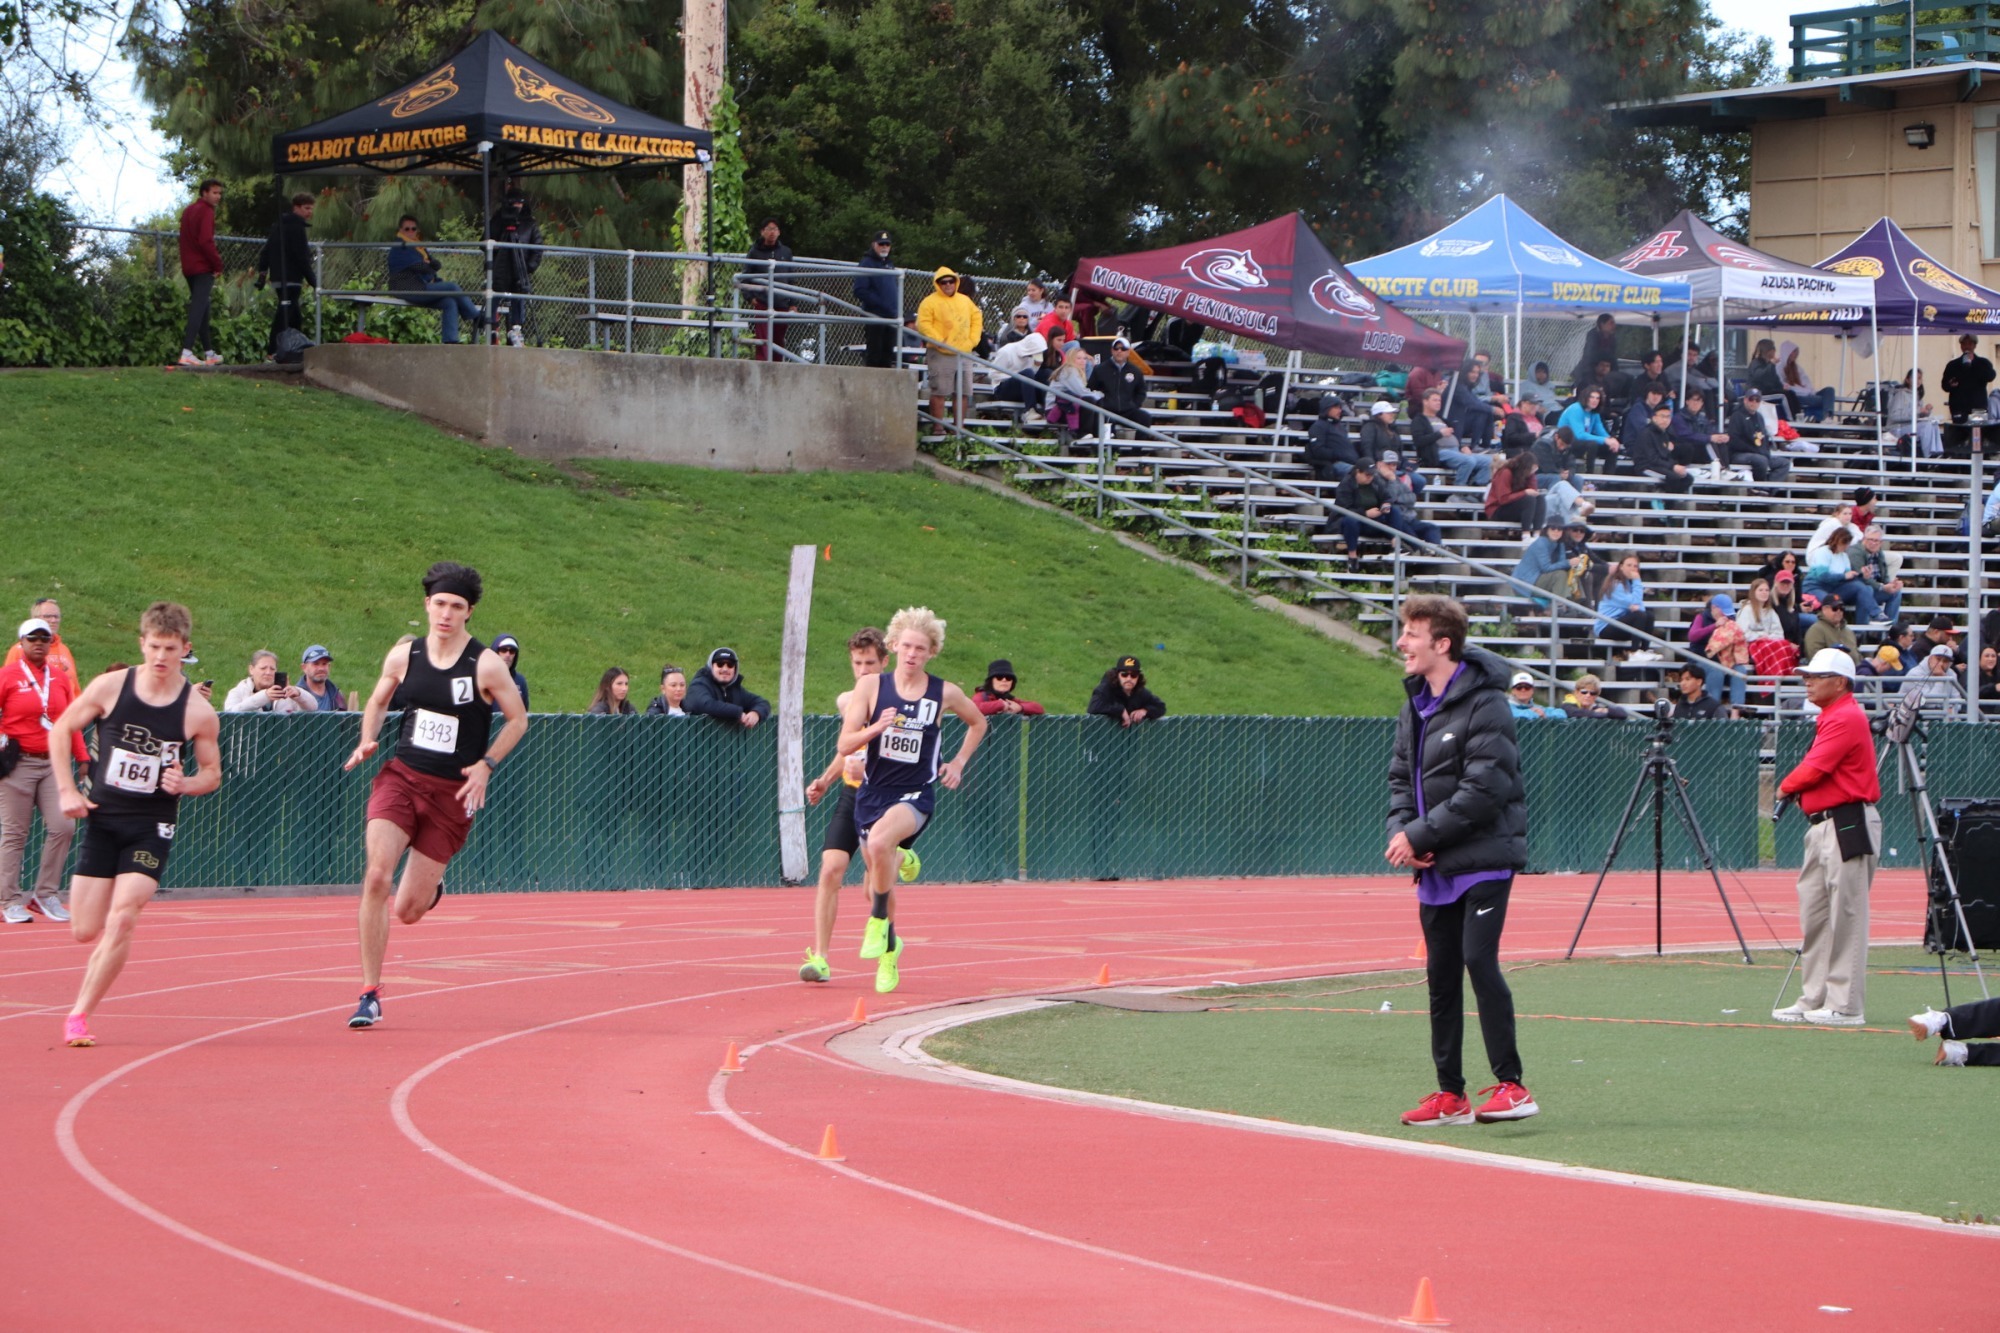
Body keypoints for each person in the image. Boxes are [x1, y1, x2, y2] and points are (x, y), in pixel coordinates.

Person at [340, 562, 528, 1029]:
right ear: (427, 605)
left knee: (406, 911)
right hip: (401, 777)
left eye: (456, 607)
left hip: (452, 794)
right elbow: (381, 699)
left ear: (470, 613)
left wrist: (486, 765)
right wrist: (368, 736)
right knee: (377, 877)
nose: (446, 613)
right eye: (439, 603)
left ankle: (430, 889)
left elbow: (519, 720)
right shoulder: (406, 655)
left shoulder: (484, 664)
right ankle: (368, 993)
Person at [1385, 594, 1535, 1127]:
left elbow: (1485, 788)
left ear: (1442, 643)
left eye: (1411, 634)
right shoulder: (1414, 706)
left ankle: (1513, 1086)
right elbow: (1401, 781)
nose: (1401, 642)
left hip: (1485, 858)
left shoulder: (1487, 704)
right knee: (1440, 975)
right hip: (1437, 865)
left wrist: (1421, 833)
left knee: (1477, 960)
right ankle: (1450, 1094)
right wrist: (1404, 833)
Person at [48, 601, 223, 1046]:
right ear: (141, 644)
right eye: (154, 647)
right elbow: (60, 728)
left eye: (170, 648)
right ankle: (97, 961)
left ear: (186, 649)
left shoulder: (197, 712)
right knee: (84, 930)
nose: (161, 657)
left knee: (124, 917)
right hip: (104, 819)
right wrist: (68, 789)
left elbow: (212, 774)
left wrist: (186, 782)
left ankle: (79, 1015)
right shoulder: (111, 686)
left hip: (152, 825)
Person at [836, 607, 986, 993]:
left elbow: (978, 721)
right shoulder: (870, 688)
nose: (912, 654)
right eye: (906, 646)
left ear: (931, 652)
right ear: (894, 646)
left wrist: (958, 761)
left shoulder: (943, 692)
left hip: (915, 794)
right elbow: (844, 743)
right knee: (875, 878)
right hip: (872, 794)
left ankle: (877, 922)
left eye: (921, 648)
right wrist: (877, 727)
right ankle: (891, 948)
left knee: (883, 844)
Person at [799, 628, 921, 983]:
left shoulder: (903, 701)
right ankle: (820, 958)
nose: (864, 670)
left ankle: (889, 948)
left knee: (873, 888)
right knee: (830, 869)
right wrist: (825, 779)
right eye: (857, 663)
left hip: (888, 799)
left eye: (871, 663)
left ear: (886, 661)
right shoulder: (847, 701)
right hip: (855, 794)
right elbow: (848, 749)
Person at [1772, 648, 1881, 1027]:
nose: (1808, 680)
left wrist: (1784, 787)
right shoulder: (1835, 716)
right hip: (1823, 824)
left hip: (1846, 821)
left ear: (1840, 682)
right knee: (1816, 914)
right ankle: (1814, 997)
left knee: (1846, 914)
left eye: (1817, 675)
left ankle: (1846, 1004)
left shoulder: (1846, 716)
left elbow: (1815, 768)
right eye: (1807, 675)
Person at [0, 617, 91, 924]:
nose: (39, 644)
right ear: (21, 643)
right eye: (32, 639)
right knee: (14, 833)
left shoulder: (60, 678)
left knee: (63, 826)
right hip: (18, 763)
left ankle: (45, 894)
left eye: (45, 639)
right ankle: (8, 899)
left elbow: (69, 721)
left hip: (54, 762)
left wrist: (82, 758)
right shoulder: (8, 676)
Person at [386, 216, 482, 345]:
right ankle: (476, 316)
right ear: (400, 230)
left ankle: (451, 341)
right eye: (407, 229)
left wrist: (429, 265)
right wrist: (429, 265)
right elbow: (421, 266)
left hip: (421, 286)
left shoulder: (417, 246)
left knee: (449, 301)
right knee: (452, 287)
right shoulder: (400, 247)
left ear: (417, 230)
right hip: (409, 288)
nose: (410, 231)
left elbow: (433, 265)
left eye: (413, 229)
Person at [1335, 453, 1440, 568]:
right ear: (1357, 472)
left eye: (1371, 475)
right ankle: (1352, 557)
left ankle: (1397, 545)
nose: (1370, 477)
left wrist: (1386, 504)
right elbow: (1343, 509)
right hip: (1359, 522)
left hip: (1379, 519)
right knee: (1350, 520)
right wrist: (1365, 513)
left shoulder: (1377, 481)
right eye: (1367, 475)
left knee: (1393, 510)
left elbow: (1399, 497)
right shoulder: (1346, 486)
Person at [916, 266, 982, 425]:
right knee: (940, 391)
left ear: (956, 282)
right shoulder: (929, 302)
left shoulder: (965, 301)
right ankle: (938, 427)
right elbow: (923, 324)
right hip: (940, 353)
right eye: (943, 282)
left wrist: (972, 341)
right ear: (937, 284)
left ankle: (958, 428)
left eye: (951, 281)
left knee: (963, 393)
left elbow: (977, 319)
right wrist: (939, 340)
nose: (947, 285)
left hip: (963, 352)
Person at [256, 192, 315, 356]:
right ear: (296, 207)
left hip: (279, 277)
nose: (309, 212)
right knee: (285, 314)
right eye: (306, 208)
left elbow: (265, 251)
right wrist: (313, 280)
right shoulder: (296, 227)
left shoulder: (279, 226)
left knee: (294, 315)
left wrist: (263, 272)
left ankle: (294, 349)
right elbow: (301, 256)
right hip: (290, 277)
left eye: (311, 208)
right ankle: (273, 351)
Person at [486, 183, 543, 345]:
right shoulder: (498, 220)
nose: (517, 206)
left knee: (519, 295)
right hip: (500, 268)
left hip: (519, 268)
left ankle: (516, 330)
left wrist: (529, 267)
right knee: (494, 294)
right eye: (513, 202)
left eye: (520, 202)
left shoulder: (530, 224)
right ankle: (491, 329)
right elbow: (485, 242)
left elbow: (538, 248)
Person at [177, 178, 225, 367]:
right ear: (204, 193)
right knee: (198, 308)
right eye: (214, 193)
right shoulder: (206, 211)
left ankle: (209, 353)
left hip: (188, 266)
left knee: (203, 306)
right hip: (202, 267)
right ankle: (187, 352)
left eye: (219, 193)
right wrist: (217, 264)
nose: (218, 196)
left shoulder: (189, 210)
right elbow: (206, 241)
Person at [1409, 387, 1492, 486]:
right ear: (1425, 402)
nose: (1438, 403)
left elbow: (1452, 439)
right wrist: (1440, 434)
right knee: (1469, 461)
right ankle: (1459, 490)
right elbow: (1418, 441)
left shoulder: (1441, 419)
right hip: (1438, 453)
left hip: (1456, 451)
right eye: (1435, 400)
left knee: (1489, 461)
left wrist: (1462, 448)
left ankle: (1476, 487)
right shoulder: (1419, 420)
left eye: (1439, 400)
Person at [1804, 527, 1885, 625]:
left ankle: (1875, 615)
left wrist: (1861, 575)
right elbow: (1823, 576)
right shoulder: (1823, 552)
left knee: (1865, 588)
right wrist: (1844, 576)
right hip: (1816, 586)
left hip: (1834, 587)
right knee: (1831, 601)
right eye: (1845, 543)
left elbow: (1848, 577)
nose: (1846, 547)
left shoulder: (1844, 556)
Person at [745, 216, 797, 362]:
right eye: (769, 229)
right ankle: (763, 366)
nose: (772, 233)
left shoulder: (786, 252)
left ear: (779, 232)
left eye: (775, 229)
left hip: (782, 303)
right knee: (763, 339)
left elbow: (791, 278)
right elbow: (745, 276)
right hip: (762, 303)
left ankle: (777, 367)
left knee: (778, 340)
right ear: (762, 232)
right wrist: (750, 297)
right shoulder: (754, 252)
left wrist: (792, 303)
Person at [1594, 552, 1663, 662]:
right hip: (1606, 627)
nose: (1632, 569)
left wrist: (1636, 605)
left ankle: (1644, 650)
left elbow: (1639, 605)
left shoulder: (1628, 584)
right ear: (1621, 567)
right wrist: (1637, 580)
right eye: (1629, 565)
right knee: (1639, 615)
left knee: (1649, 615)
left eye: (1635, 566)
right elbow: (1634, 601)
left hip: (1620, 624)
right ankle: (1634, 652)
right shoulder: (1615, 584)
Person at [4, 597, 81, 693]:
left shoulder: (64, 649)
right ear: (35, 619)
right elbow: (6, 683)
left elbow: (75, 687)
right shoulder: (19, 650)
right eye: (48, 616)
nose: (53, 620)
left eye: (56, 616)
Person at [1689, 593, 1748, 715]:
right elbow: (1692, 636)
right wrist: (1714, 626)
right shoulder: (1701, 618)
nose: (1725, 616)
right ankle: (1713, 711)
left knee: (1740, 671)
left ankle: (1735, 713)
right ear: (1714, 608)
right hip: (1701, 660)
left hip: (1725, 660)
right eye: (1722, 612)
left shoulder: (1730, 620)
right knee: (1716, 670)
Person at [685, 647, 771, 728]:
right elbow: (705, 704)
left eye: (730, 665)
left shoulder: (736, 689)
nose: (725, 669)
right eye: (720, 664)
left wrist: (756, 713)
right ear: (711, 666)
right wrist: (738, 713)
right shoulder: (699, 684)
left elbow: (762, 703)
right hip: (698, 740)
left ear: (735, 668)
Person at [1939, 332, 1996, 451]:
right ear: (1960, 346)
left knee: (1978, 437)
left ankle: (1980, 465)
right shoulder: (1953, 365)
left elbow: (1991, 376)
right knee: (1960, 439)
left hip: (1978, 408)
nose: (1967, 346)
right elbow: (1944, 385)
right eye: (1964, 344)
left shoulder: (1983, 362)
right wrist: (1951, 384)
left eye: (1970, 343)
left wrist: (1973, 362)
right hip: (1959, 408)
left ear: (1975, 346)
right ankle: (1962, 466)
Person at [854, 230, 901, 369]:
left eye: (887, 244)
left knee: (887, 354)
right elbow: (859, 290)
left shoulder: (889, 263)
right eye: (881, 244)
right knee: (874, 354)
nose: (884, 247)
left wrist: (893, 309)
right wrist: (880, 304)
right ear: (874, 245)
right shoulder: (867, 263)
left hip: (890, 316)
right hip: (874, 315)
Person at [1725, 389, 1791, 485]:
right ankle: (1759, 486)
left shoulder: (1759, 417)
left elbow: (1763, 438)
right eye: (1751, 399)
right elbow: (1734, 441)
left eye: (1757, 400)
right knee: (1761, 460)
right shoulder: (1737, 416)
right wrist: (1756, 450)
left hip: (1759, 453)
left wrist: (1765, 452)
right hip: (1739, 454)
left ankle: (1767, 489)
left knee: (1784, 463)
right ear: (1745, 400)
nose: (1754, 402)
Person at [1627, 400, 1692, 496]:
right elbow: (1652, 458)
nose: (1665, 420)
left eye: (1668, 417)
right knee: (1673, 477)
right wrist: (1673, 467)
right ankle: (1665, 503)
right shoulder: (1646, 434)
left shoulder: (1664, 433)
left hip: (1659, 465)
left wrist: (1674, 466)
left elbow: (1666, 455)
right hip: (1646, 466)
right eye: (1662, 416)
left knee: (1687, 478)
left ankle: (1667, 498)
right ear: (1654, 418)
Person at [1087, 336, 1152, 431]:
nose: (1119, 351)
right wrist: (1101, 403)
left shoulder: (1135, 371)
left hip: (1128, 410)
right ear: (1112, 350)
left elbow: (1141, 391)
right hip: (1106, 410)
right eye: (1116, 348)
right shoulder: (1100, 369)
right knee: (1101, 420)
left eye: (1123, 348)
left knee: (1145, 418)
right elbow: (1091, 389)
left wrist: (1133, 405)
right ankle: (1107, 445)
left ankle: (1137, 446)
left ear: (1128, 352)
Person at [223, 649, 317, 714]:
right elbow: (230, 713)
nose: (268, 672)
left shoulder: (286, 693)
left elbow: (313, 707)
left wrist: (298, 694)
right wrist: (265, 696)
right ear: (251, 669)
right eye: (263, 668)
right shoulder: (238, 691)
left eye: (272, 669)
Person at [1087, 654, 1166, 726]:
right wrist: (1120, 711)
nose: (1129, 679)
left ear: (1138, 677)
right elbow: (1093, 707)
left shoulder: (1140, 691)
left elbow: (1161, 707)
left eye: (1133, 675)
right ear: (1117, 675)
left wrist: (1144, 711)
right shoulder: (1105, 688)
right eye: (1124, 674)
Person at [1556, 386, 1620, 472]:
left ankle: (1608, 481)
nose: (1595, 400)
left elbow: (1600, 430)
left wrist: (1611, 440)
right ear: (1585, 398)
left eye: (1597, 398)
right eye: (1592, 397)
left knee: (1613, 447)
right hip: (1568, 443)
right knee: (1592, 444)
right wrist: (1605, 440)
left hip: (1584, 443)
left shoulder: (1594, 412)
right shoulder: (1576, 409)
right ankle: (1590, 476)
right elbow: (1579, 435)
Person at [1511, 519, 1571, 606]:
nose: (1556, 531)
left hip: (1537, 579)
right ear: (1547, 530)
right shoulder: (1541, 543)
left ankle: (1574, 604)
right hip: (1525, 583)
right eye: (1553, 528)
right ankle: (1559, 606)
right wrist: (1568, 562)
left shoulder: (1559, 543)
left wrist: (1570, 563)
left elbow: (1561, 564)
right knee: (1560, 575)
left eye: (1559, 529)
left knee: (1571, 573)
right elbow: (1546, 568)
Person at [1855, 527, 1907, 627]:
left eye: (1877, 541)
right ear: (1864, 539)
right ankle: (1861, 632)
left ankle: (1891, 628)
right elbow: (1860, 578)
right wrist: (1882, 587)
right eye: (1871, 540)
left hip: (1874, 588)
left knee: (1896, 592)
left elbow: (1883, 575)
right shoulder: (1856, 552)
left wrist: (1891, 585)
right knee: (1867, 590)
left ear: (1881, 542)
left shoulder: (1879, 553)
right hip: (1858, 590)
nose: (1874, 543)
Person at [1483, 450, 1544, 534]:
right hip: (1497, 510)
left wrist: (1531, 477)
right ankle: (1525, 534)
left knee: (1540, 499)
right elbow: (1503, 499)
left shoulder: (1526, 475)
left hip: (1514, 507)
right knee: (1529, 500)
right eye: (1532, 469)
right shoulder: (1506, 472)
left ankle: (1537, 533)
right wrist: (1524, 492)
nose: (1533, 472)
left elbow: (1533, 491)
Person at [1887, 369, 1943, 457]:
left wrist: (1926, 412)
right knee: (1926, 426)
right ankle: (1928, 456)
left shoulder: (1918, 397)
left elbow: (1917, 416)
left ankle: (1937, 453)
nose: (1918, 381)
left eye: (1919, 378)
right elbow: (1894, 416)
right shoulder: (1901, 394)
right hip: (1897, 429)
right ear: (1907, 380)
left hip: (1910, 427)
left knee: (1933, 424)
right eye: (1915, 378)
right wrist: (1918, 411)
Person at [1304, 395, 1360, 481]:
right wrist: (1339, 454)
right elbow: (1318, 451)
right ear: (1327, 408)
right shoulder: (1318, 426)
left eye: (1340, 408)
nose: (1340, 410)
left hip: (1350, 464)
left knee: (1374, 473)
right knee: (1364, 475)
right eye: (1337, 407)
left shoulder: (1340, 426)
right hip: (1334, 465)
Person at [1778, 341, 1837, 421]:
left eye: (1796, 352)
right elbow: (1786, 387)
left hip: (1808, 394)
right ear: (1787, 352)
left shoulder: (1797, 368)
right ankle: (1824, 417)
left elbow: (1806, 382)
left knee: (1829, 390)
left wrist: (1809, 391)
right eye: (1793, 352)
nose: (1795, 354)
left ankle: (1828, 416)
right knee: (1823, 400)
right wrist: (1803, 391)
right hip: (1796, 397)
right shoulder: (1779, 368)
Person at [1802, 595, 1860, 664]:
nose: (1839, 611)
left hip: (1854, 671)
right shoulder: (1816, 630)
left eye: (1841, 608)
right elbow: (1815, 659)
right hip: (1830, 673)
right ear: (1824, 609)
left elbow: (1857, 656)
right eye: (1834, 608)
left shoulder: (1848, 632)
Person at [973, 660, 1044, 715]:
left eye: (1008, 678)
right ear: (991, 681)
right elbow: (974, 708)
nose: (1004, 680)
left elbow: (1038, 708)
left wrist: (1020, 707)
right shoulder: (982, 696)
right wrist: (1001, 705)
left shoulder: (1009, 699)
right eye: (999, 677)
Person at [1570, 312, 1619, 387]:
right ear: (1602, 324)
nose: (1614, 326)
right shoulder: (1593, 334)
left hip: (1604, 370)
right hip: (1589, 369)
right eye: (1611, 323)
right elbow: (1589, 355)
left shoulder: (1613, 338)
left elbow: (1613, 357)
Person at [1746, 338, 1791, 417]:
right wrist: (1771, 365)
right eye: (1773, 348)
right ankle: (1791, 417)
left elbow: (1775, 379)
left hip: (1768, 390)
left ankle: (1798, 415)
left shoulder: (1768, 364)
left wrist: (1782, 387)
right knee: (1786, 395)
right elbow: (1759, 376)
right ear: (1768, 350)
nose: (1775, 350)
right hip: (1760, 392)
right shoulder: (1756, 363)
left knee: (1791, 393)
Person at [296, 644, 346, 712]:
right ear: (304, 668)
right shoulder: (296, 696)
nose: (321, 668)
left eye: (324, 664)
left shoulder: (337, 695)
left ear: (329, 666)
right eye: (315, 664)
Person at [490, 633, 530, 712]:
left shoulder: (520, 681)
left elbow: (525, 711)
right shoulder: (483, 678)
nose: (507, 655)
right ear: (496, 652)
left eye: (512, 651)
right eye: (503, 650)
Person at [1561, 673, 1628, 719]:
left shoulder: (1596, 708)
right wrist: (1595, 713)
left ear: (1596, 696)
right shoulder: (1567, 705)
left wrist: (1605, 710)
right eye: (1584, 692)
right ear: (1576, 692)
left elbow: (1622, 714)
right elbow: (1575, 713)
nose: (1588, 695)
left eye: (1592, 693)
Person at [1358, 398, 1401, 467]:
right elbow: (1367, 449)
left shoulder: (1393, 429)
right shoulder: (1369, 427)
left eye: (1392, 413)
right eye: (1388, 413)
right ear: (1379, 415)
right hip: (1379, 467)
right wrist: (1373, 467)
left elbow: (1398, 450)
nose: (1392, 415)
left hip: (1395, 466)